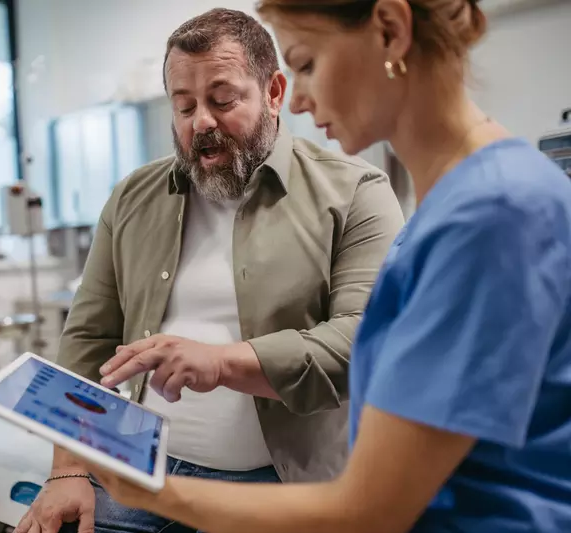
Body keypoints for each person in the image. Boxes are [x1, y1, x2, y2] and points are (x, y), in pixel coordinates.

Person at [72, 1, 571, 533]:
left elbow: (371, 507)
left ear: (390, 30)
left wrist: (153, 490)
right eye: (185, 105)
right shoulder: (458, 206)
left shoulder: (492, 213)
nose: (303, 101)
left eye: (307, 64)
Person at [15, 7, 404, 533]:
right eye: (184, 106)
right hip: (133, 472)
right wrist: (67, 469)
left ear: (273, 92)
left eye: (223, 100)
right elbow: (88, 337)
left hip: (276, 485)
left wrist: (221, 363)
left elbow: (363, 344)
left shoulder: (357, 192)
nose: (201, 122)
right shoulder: (134, 196)